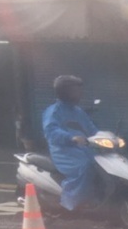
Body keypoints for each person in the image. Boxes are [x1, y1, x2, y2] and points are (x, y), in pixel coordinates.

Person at [42, 75, 98, 211]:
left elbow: (91, 129)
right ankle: (68, 204)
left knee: (101, 165)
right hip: (64, 151)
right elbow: (51, 132)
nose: (80, 94)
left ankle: (93, 198)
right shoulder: (54, 111)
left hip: (83, 149)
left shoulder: (78, 111)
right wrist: (70, 138)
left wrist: (104, 137)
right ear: (65, 91)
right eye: (76, 90)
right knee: (84, 166)